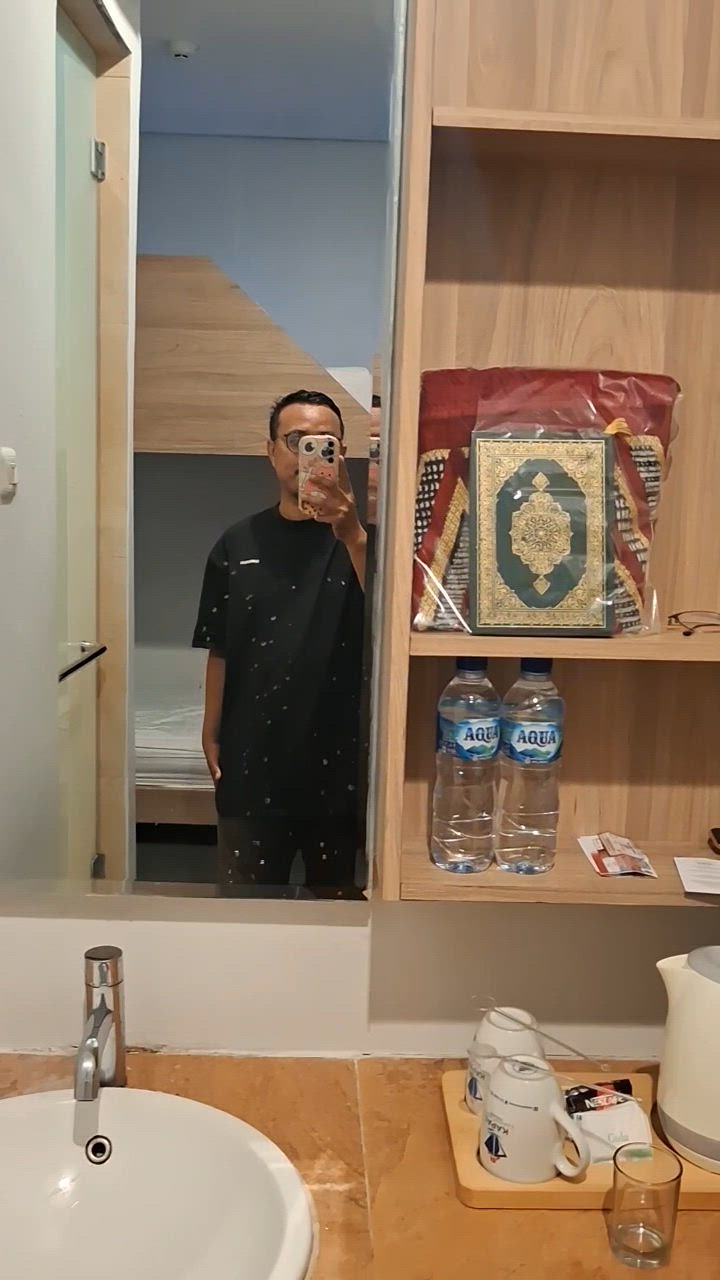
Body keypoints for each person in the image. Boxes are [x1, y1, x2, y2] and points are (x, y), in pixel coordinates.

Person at [192, 389, 366, 894]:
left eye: (325, 442)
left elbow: (392, 618)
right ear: (270, 451)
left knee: (344, 917)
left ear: (341, 453)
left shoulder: (366, 541)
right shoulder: (236, 544)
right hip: (252, 762)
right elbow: (220, 645)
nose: (308, 452)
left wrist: (353, 534)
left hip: (343, 767)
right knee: (245, 913)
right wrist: (210, 730)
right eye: (296, 440)